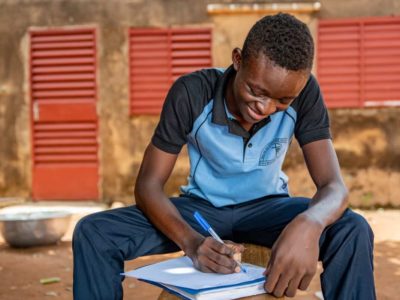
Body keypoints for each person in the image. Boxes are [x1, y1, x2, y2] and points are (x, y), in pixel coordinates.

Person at [73, 13, 376, 300]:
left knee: (351, 230)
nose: (265, 107)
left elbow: (334, 186)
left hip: (268, 210)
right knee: (95, 232)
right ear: (237, 60)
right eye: (256, 90)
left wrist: (310, 223)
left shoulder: (306, 92)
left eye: (282, 100)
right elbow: (148, 185)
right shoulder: (192, 93)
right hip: (201, 212)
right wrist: (192, 243)